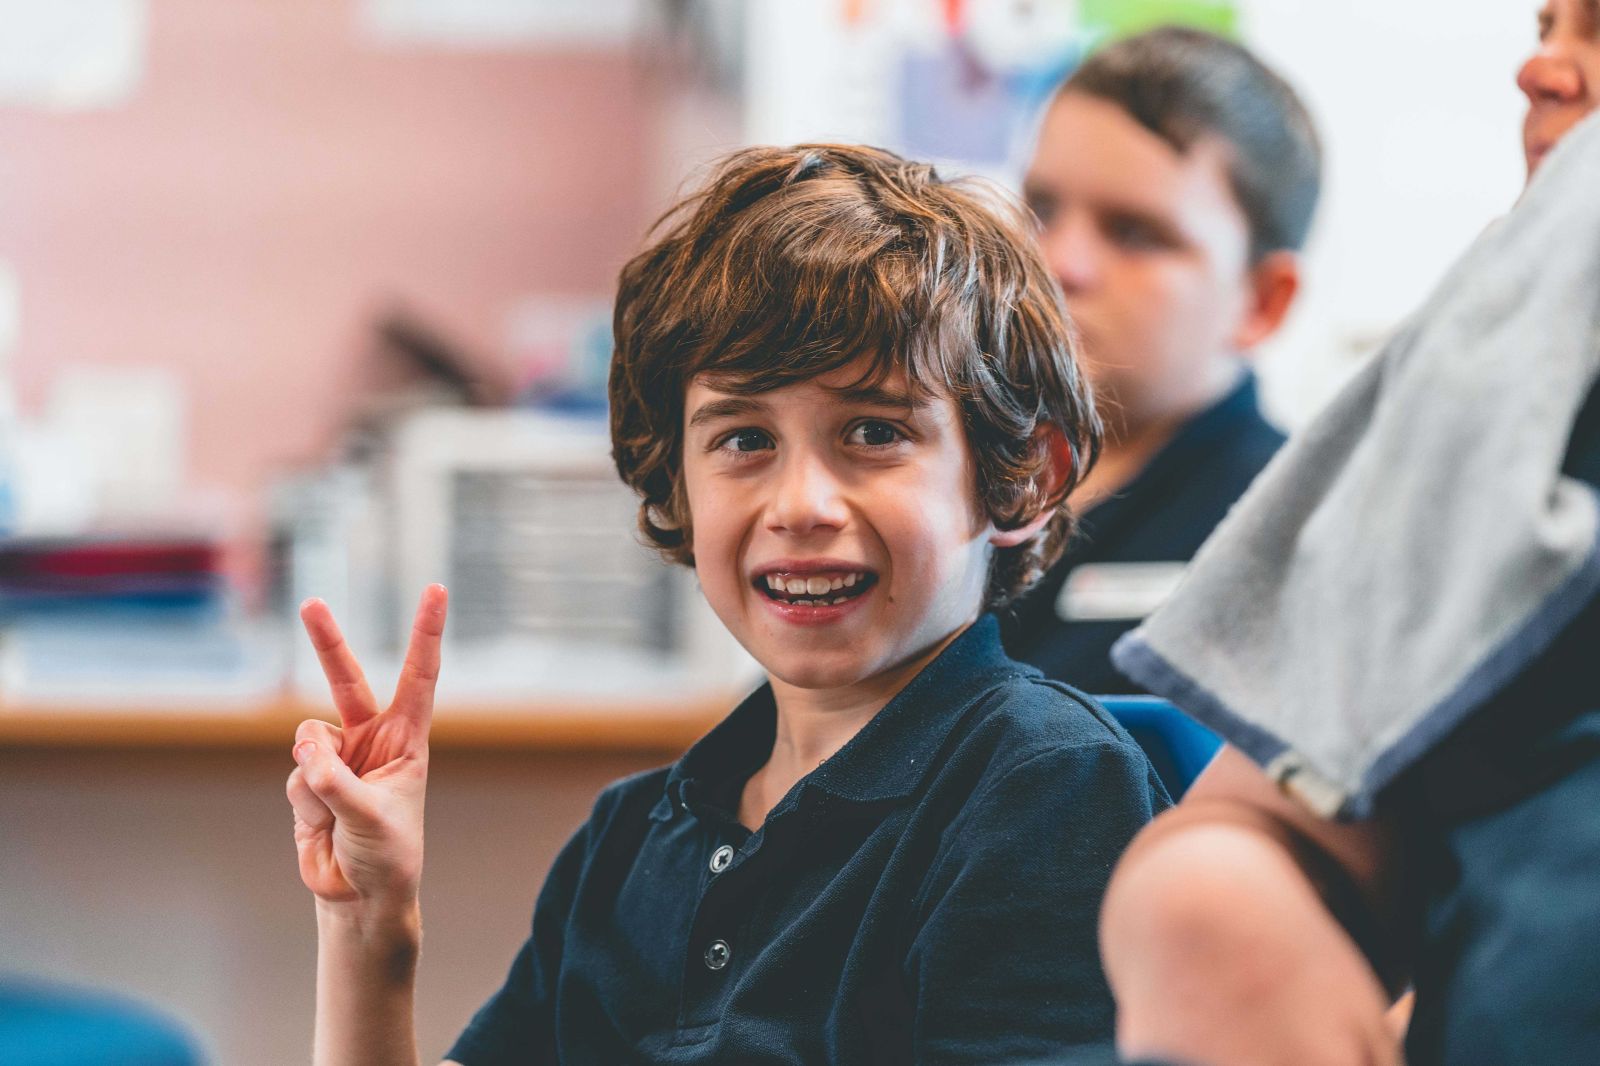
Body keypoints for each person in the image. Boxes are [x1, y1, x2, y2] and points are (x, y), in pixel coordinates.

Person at [284, 143, 1170, 1065]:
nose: (799, 506)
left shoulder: (1047, 788)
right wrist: (367, 930)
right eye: (744, 438)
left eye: (873, 432)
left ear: (1021, 477)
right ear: (677, 484)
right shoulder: (628, 842)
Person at [1097, 3, 1600, 1064]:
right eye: (1547, 22)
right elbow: (1265, 829)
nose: (1540, 67)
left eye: (1597, 31)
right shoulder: (1472, 433)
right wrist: (1215, 902)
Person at [1003, 26, 1321, 695]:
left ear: (1261, 300)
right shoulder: (949, 481)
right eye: (1041, 209)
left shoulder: (1293, 541)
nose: (1060, 262)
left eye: (1134, 233)